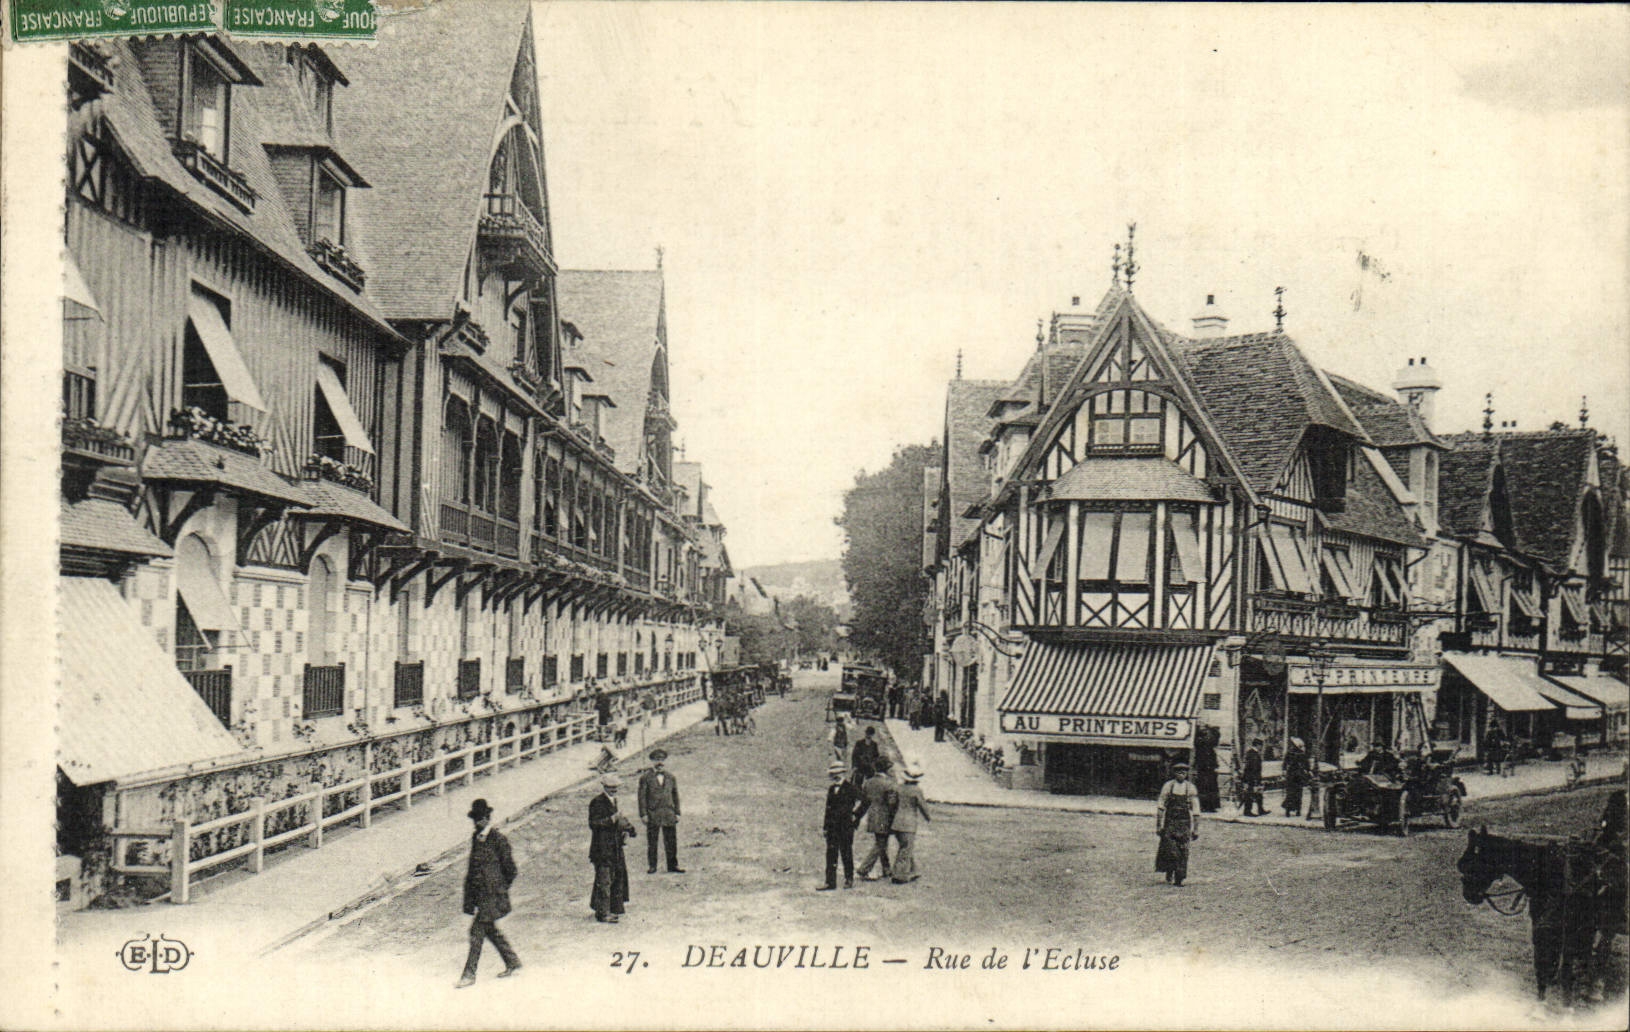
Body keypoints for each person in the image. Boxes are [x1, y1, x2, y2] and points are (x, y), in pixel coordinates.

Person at [456, 799, 520, 987]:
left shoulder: (499, 840)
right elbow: (472, 870)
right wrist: (470, 899)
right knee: (489, 930)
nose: (476, 823)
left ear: (487, 818)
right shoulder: (476, 838)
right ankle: (512, 961)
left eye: (479, 819)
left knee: (476, 933)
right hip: (480, 897)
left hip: (493, 896)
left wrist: (498, 888)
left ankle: (469, 975)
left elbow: (511, 870)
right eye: (474, 819)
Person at [589, 772, 637, 923]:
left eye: (615, 788)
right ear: (604, 787)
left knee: (616, 877)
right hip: (602, 848)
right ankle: (603, 913)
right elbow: (593, 824)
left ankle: (611, 908)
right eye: (610, 788)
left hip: (615, 847)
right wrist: (611, 819)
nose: (613, 790)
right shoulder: (597, 802)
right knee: (604, 880)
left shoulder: (614, 801)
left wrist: (629, 829)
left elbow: (620, 821)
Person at [637, 749, 684, 874]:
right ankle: (652, 866)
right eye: (657, 760)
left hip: (669, 813)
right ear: (652, 761)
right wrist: (643, 814)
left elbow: (675, 796)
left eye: (662, 760)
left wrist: (677, 812)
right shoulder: (645, 778)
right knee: (652, 842)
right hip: (653, 814)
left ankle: (672, 865)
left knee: (671, 841)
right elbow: (641, 797)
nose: (659, 762)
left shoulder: (671, 777)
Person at [1155, 763, 1201, 886]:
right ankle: (1170, 870)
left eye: (1184, 772)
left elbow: (1196, 810)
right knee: (1170, 849)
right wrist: (1158, 826)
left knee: (1183, 850)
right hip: (1170, 821)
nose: (1181, 774)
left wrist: (1196, 829)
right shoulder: (1168, 786)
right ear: (1174, 773)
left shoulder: (1190, 788)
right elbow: (1161, 807)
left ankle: (1179, 878)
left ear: (1187, 774)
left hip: (1184, 822)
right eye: (1178, 771)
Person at [819, 760, 862, 890]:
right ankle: (830, 882)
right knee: (831, 854)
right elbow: (828, 809)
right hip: (832, 828)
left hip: (845, 827)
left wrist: (855, 816)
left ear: (841, 774)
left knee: (846, 853)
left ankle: (849, 879)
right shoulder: (832, 789)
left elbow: (865, 801)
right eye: (833, 773)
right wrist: (825, 827)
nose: (833, 776)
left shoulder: (851, 788)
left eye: (835, 773)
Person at [854, 757, 898, 881]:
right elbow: (892, 803)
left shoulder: (868, 782)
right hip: (885, 817)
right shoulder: (889, 784)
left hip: (872, 817)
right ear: (886, 769)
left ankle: (886, 869)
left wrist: (857, 816)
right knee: (880, 844)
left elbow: (864, 802)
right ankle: (864, 868)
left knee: (881, 842)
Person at [890, 762, 932, 884]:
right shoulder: (916, 790)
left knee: (905, 847)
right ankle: (899, 875)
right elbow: (922, 806)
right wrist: (928, 817)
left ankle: (914, 870)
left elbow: (892, 803)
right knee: (905, 849)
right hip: (909, 824)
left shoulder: (899, 788)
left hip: (897, 822)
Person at [1193, 725, 1221, 813]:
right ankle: (1205, 806)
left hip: (1207, 770)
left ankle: (1209, 806)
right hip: (1204, 769)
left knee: (1208, 788)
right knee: (1206, 788)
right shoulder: (1202, 745)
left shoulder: (1206, 747)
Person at [1282, 737, 1309, 817]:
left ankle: (1289, 810)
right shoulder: (1301, 754)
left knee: (1290, 793)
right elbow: (1306, 765)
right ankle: (1297, 810)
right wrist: (1307, 771)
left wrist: (1284, 771)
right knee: (1298, 793)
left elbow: (1285, 763)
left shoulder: (1290, 753)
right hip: (1298, 775)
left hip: (1291, 775)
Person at [1241, 738, 1265, 816]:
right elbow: (1253, 768)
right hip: (1252, 777)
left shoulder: (1252, 753)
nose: (1262, 747)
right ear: (1258, 745)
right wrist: (1255, 780)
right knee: (1250, 794)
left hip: (1252, 777)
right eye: (1261, 745)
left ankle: (1260, 809)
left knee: (1258, 794)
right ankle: (1247, 811)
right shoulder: (1253, 754)